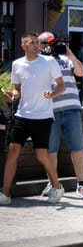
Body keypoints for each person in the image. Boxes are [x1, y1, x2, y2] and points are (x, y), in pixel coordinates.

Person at [0, 32, 67, 204]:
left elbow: (61, 86)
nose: (37, 45)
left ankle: (57, 186)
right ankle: (5, 194)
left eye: (38, 42)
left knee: (41, 156)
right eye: (32, 42)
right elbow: (17, 90)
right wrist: (12, 96)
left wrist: (51, 93)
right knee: (13, 150)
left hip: (43, 116)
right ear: (23, 45)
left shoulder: (49, 62)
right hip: (22, 115)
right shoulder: (17, 65)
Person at [38, 31, 83, 199]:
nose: (52, 45)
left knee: (77, 148)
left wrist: (70, 53)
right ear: (41, 45)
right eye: (48, 42)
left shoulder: (66, 59)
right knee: (50, 150)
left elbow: (81, 72)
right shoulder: (39, 63)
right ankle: (53, 183)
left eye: (53, 41)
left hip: (71, 109)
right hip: (50, 111)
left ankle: (81, 184)